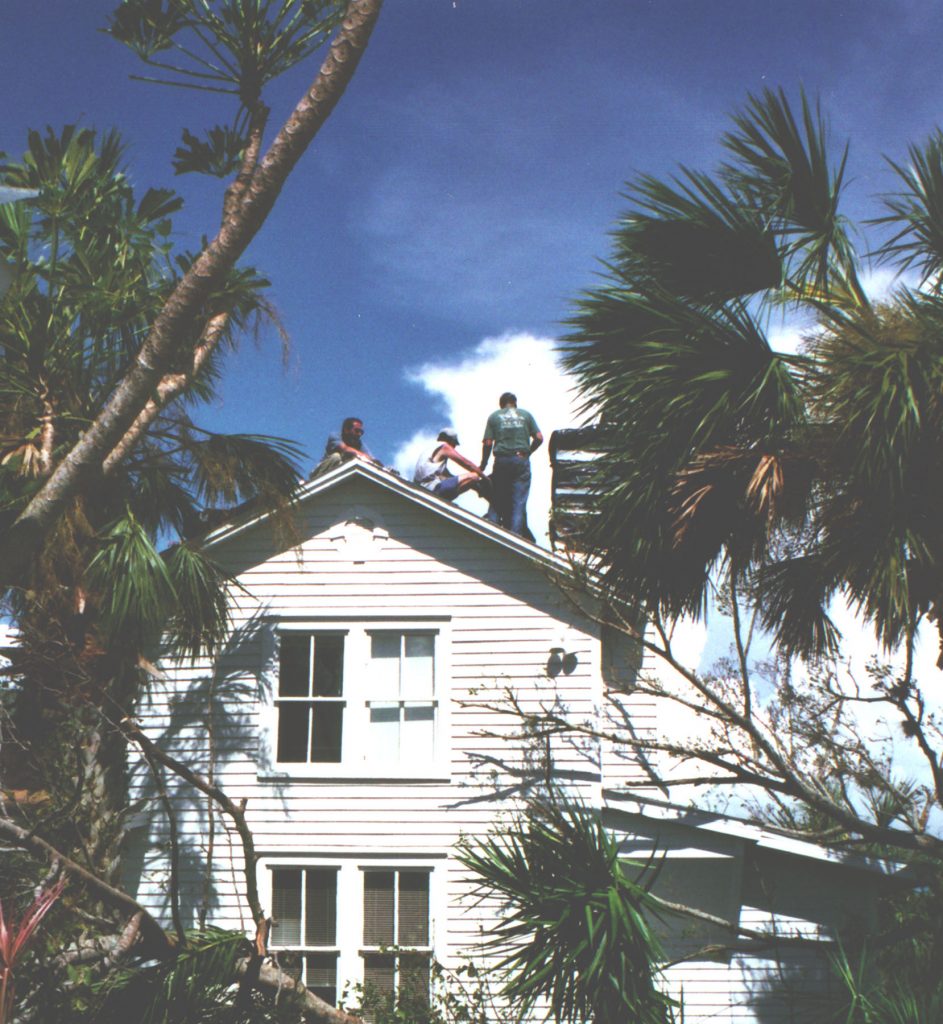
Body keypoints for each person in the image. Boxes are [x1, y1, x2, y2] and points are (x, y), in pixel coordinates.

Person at [480, 392, 542, 537]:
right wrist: (528, 452)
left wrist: (483, 464)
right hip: (520, 460)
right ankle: (515, 539)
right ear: (515, 403)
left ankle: (491, 533)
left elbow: (488, 443)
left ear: (501, 404)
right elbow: (539, 437)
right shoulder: (526, 415)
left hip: (501, 461)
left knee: (496, 500)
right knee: (518, 503)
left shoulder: (494, 416)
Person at [413, 429, 488, 502]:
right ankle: (444, 500)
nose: (454, 447)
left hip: (421, 489)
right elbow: (467, 463)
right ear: (450, 441)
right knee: (474, 476)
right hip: (434, 489)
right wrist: (485, 478)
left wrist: (476, 487)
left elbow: (447, 477)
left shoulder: (430, 452)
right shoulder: (444, 447)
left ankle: (481, 490)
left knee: (467, 481)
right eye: (454, 444)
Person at [310, 417, 381, 478]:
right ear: (346, 430)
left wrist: (377, 464)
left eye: (361, 432)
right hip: (321, 471)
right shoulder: (335, 436)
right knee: (336, 457)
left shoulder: (359, 444)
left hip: (338, 473)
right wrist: (363, 456)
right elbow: (345, 449)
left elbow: (371, 458)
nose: (359, 434)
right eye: (356, 431)